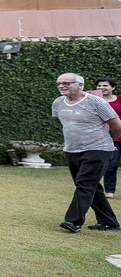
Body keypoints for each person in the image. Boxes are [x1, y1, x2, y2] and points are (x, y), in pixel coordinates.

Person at [52, 73, 121, 232]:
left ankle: (73, 221)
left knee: (85, 184)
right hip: (71, 150)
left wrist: (109, 141)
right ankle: (109, 222)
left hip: (98, 149)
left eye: (66, 83)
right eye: (59, 83)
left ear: (80, 85)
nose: (61, 86)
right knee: (90, 186)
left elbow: (117, 125)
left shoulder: (96, 102)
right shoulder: (58, 102)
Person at [96, 78, 121, 199]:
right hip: (107, 138)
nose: (101, 88)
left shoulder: (120, 100)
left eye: (105, 85)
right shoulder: (94, 101)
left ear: (113, 87)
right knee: (111, 164)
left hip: (120, 135)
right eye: (99, 86)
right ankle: (109, 191)